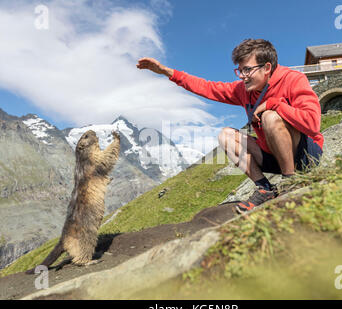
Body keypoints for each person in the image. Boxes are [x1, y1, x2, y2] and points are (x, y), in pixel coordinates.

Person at [136, 38, 323, 213]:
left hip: (305, 153)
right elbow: (207, 87)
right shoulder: (242, 91)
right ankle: (265, 189)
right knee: (225, 135)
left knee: (270, 117)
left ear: (267, 67)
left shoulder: (293, 79)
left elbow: (313, 124)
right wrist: (167, 72)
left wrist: (274, 104)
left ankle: (291, 183)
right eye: (240, 71)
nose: (242, 76)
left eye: (247, 70)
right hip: (274, 155)